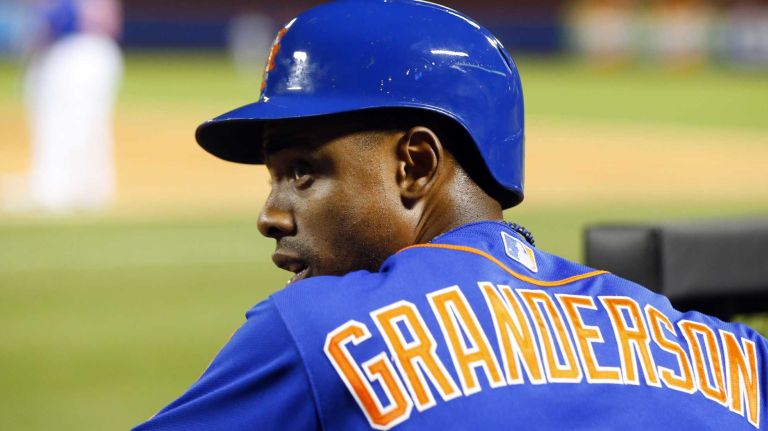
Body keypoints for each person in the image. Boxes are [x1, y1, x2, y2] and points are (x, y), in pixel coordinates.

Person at [134, 1, 767, 429]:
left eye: (303, 171)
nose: (272, 214)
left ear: (415, 164)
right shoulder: (727, 352)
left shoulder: (316, 333)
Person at [21, 0, 122, 213]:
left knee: (63, 124)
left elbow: (53, 20)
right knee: (87, 125)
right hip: (90, 50)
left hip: (74, 50)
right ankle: (89, 188)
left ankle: (57, 190)